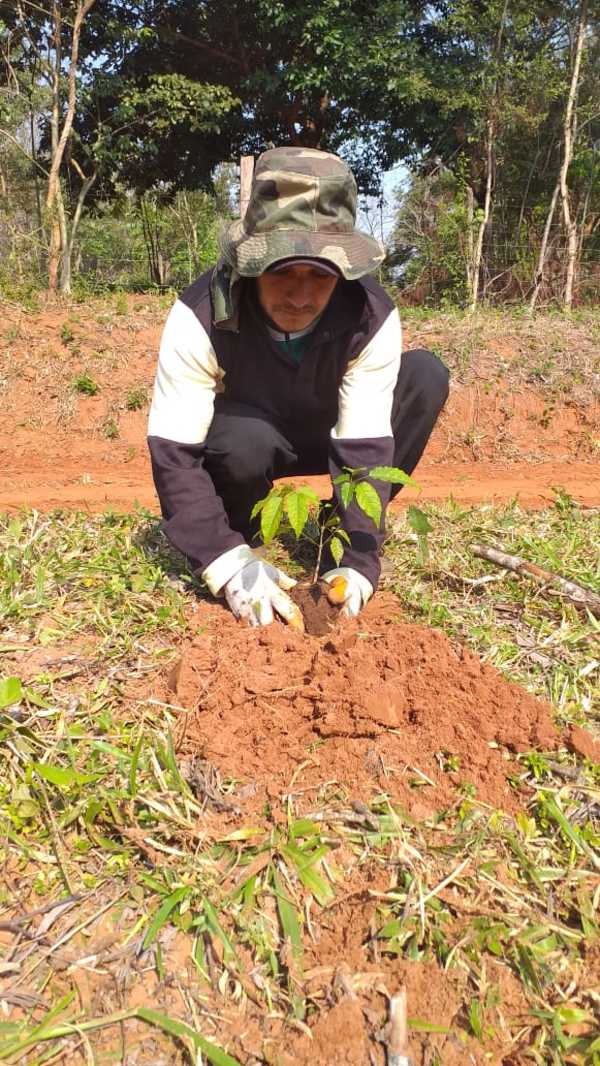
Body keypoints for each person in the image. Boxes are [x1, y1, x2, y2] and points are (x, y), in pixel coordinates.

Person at [148, 146, 449, 627]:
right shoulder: (200, 314)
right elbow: (174, 454)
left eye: (321, 275)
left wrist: (357, 563)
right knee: (244, 440)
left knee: (425, 376)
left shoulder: (371, 316)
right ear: (251, 263)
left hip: (328, 433)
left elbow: (366, 445)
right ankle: (238, 528)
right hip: (249, 440)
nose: (301, 296)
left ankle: (338, 526)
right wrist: (227, 563)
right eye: (283, 270)